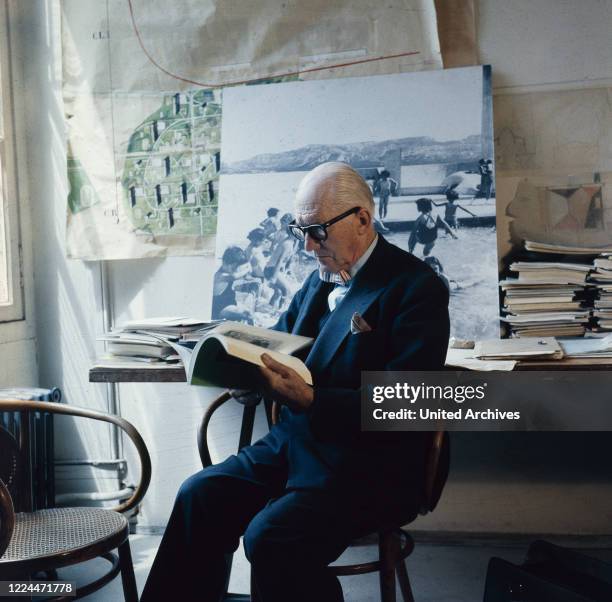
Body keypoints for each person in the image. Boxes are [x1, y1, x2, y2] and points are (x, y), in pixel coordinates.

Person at [141, 162, 450, 602]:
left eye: (318, 230)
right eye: (300, 230)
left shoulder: (416, 288)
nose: (307, 245)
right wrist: (247, 375)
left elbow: (404, 406)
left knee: (270, 537)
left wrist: (310, 399)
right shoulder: (319, 278)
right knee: (199, 494)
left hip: (372, 463)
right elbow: (279, 345)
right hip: (300, 442)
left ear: (363, 219)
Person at [211, 246, 256, 323]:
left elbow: (241, 274)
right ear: (224, 262)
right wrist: (248, 268)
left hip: (229, 303)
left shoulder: (228, 270)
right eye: (233, 266)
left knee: (249, 309)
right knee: (248, 315)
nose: (234, 269)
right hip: (220, 308)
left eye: (236, 266)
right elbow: (234, 276)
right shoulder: (219, 276)